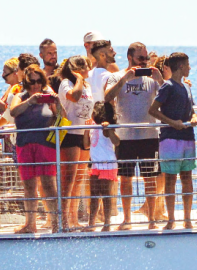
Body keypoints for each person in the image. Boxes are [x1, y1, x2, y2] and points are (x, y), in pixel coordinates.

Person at [105, 42, 165, 229]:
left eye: (146, 58)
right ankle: (127, 219)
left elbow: (167, 97)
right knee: (126, 179)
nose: (145, 61)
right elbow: (106, 97)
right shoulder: (116, 76)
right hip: (126, 136)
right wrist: (125, 79)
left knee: (150, 177)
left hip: (149, 135)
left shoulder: (152, 78)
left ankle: (152, 219)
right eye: (141, 58)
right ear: (130, 58)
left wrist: (161, 79)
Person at [148, 52, 197, 230]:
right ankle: (171, 219)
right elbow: (153, 110)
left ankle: (186, 218)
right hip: (170, 138)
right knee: (170, 180)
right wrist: (172, 123)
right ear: (180, 67)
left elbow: (191, 109)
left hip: (187, 137)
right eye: (187, 65)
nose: (190, 68)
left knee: (187, 178)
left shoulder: (185, 86)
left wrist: (194, 117)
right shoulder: (168, 86)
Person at [8, 65, 62, 233]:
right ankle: (30, 224)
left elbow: (62, 117)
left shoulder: (48, 96)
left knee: (48, 185)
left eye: (39, 81)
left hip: (45, 145)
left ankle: (56, 223)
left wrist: (57, 101)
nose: (36, 85)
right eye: (32, 81)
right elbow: (13, 111)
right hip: (25, 144)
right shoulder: (20, 96)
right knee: (29, 186)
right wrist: (30, 101)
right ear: (26, 81)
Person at [57, 56, 95, 228]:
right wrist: (78, 79)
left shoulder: (87, 85)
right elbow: (73, 97)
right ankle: (63, 218)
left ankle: (73, 218)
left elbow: (88, 109)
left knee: (79, 178)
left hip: (83, 133)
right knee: (69, 178)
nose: (88, 68)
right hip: (70, 133)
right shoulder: (67, 83)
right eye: (86, 66)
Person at [84, 102, 120, 232]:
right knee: (94, 194)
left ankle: (107, 223)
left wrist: (109, 130)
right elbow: (86, 145)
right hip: (95, 164)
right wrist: (86, 129)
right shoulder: (93, 126)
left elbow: (117, 141)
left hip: (107, 165)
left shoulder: (107, 127)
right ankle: (91, 223)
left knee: (106, 194)